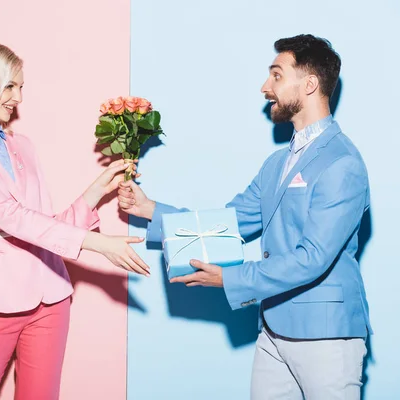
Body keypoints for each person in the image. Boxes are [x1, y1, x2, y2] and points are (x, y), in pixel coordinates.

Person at [118, 34, 371, 400]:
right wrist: (151, 210)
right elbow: (229, 222)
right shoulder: (276, 164)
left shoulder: (342, 163)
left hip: (326, 335)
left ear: (310, 84)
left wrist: (231, 278)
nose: (265, 86)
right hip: (272, 329)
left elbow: (312, 258)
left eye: (277, 75)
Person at [0, 41, 150, 400]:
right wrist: (98, 245)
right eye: (10, 86)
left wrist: (95, 190)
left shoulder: (23, 145)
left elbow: (44, 225)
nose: (18, 97)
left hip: (52, 296)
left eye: (20, 87)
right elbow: (11, 218)